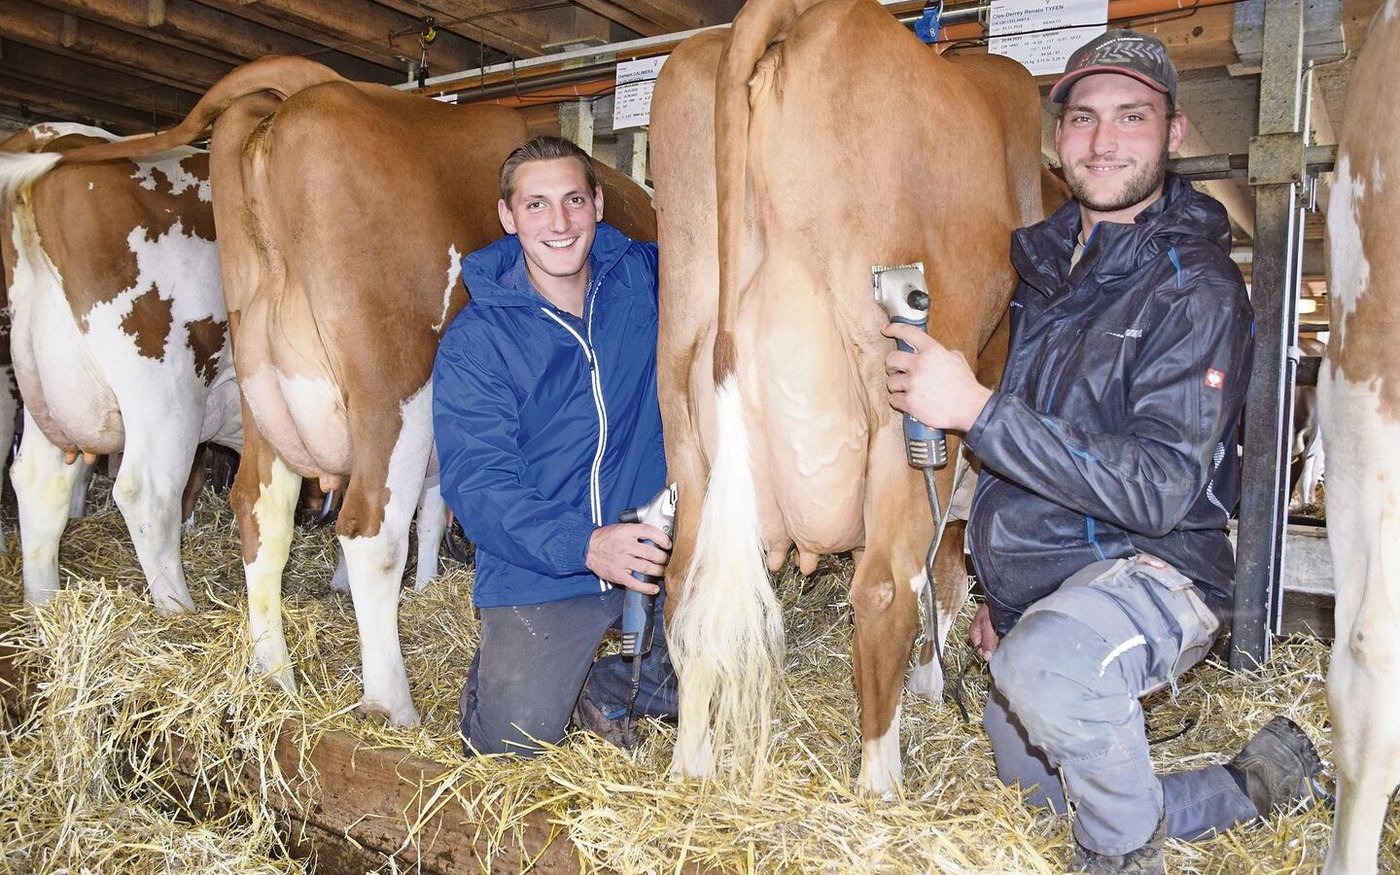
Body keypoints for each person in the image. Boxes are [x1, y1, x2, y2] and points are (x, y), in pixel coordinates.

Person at [883, 30, 1324, 874]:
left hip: (1163, 568)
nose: (1104, 139)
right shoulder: (1049, 267)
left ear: (1174, 133)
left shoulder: (1193, 285)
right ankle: (1255, 783)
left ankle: (1124, 863)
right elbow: (1046, 454)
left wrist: (974, 408)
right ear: (1058, 140)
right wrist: (1012, 596)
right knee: (1041, 795)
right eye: (1083, 118)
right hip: (1068, 578)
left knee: (1055, 678)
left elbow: (1159, 487)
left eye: (1132, 116)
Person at [433, 135, 678, 756]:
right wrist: (588, 545)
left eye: (573, 199)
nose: (560, 222)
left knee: (727, 694)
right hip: (541, 570)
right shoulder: (478, 340)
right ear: (508, 217)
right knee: (513, 747)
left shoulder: (646, 283)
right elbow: (481, 486)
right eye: (536, 205)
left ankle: (607, 679)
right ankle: (501, 679)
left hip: (654, 557)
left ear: (599, 203)